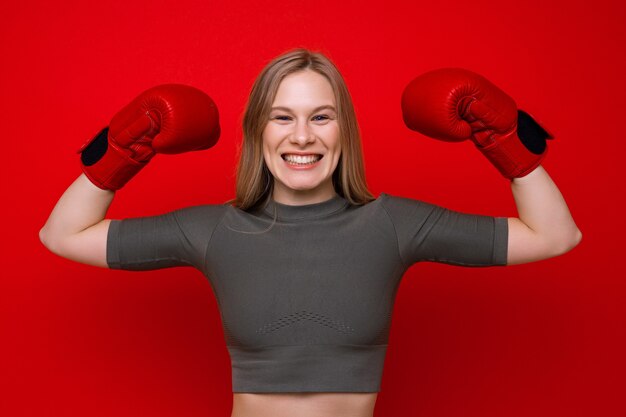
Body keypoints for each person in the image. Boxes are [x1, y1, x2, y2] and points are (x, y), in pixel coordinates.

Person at [39, 48, 582, 417]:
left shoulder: (394, 223)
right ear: (257, 131)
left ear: (345, 129)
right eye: (282, 117)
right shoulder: (213, 229)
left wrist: (504, 138)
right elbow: (62, 235)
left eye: (322, 117)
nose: (302, 136)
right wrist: (122, 150)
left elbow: (554, 235)